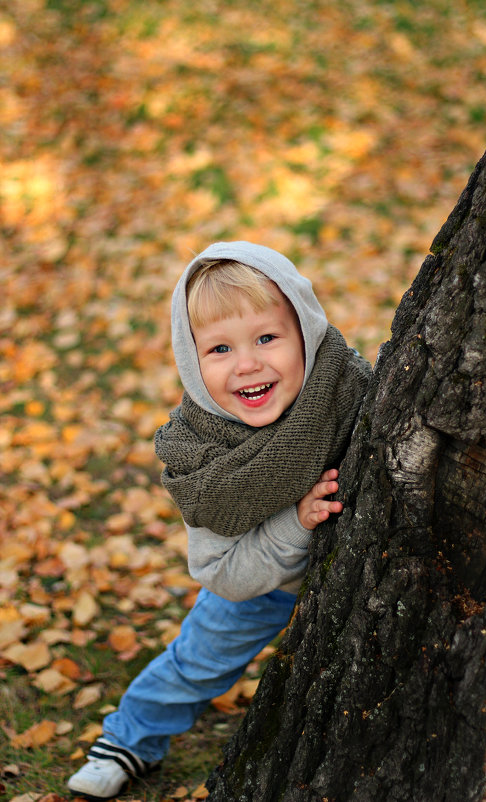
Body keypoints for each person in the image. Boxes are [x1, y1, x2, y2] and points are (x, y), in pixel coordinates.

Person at [67, 241, 371, 800]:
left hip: (362, 584)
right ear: (190, 361)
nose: (247, 363)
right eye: (220, 348)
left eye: (266, 338)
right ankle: (130, 737)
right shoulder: (203, 459)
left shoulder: (349, 392)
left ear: (305, 331)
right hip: (259, 585)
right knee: (197, 662)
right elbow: (223, 576)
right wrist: (294, 524)